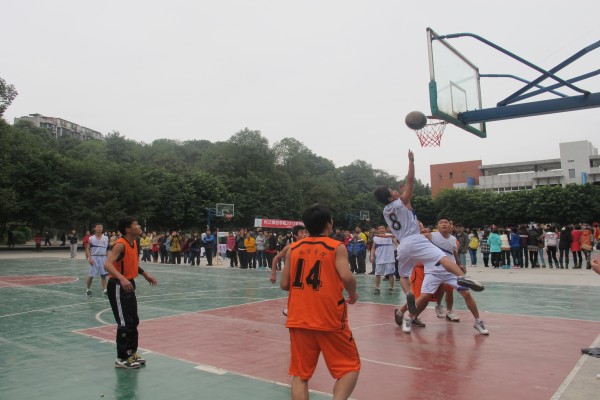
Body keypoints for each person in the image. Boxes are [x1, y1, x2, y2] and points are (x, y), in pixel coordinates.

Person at [373, 150, 483, 320]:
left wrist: (406, 198)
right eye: (392, 191)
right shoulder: (399, 202)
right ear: (390, 198)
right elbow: (410, 181)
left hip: (403, 246)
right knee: (443, 258)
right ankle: (464, 278)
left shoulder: (386, 211)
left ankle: (408, 294)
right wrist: (411, 162)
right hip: (415, 240)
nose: (395, 191)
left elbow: (408, 209)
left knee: (403, 275)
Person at [280, 204, 360, 400]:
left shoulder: (293, 248)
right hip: (329, 317)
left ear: (306, 226)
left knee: (300, 375)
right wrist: (353, 294)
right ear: (329, 224)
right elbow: (347, 276)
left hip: (299, 317)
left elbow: (284, 284)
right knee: (349, 368)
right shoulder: (336, 247)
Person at [396, 217, 489, 335]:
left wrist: (459, 264)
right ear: (437, 227)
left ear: (451, 226)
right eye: (441, 223)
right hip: (433, 272)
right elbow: (413, 239)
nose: (444, 224)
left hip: (450, 272)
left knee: (466, 293)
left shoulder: (453, 239)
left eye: (446, 223)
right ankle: (408, 318)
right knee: (424, 297)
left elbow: (454, 252)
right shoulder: (430, 236)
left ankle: (477, 321)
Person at [103, 216, 157, 369]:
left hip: (129, 284)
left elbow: (131, 263)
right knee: (124, 322)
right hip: (118, 285)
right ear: (128, 229)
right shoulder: (120, 244)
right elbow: (107, 264)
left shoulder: (134, 242)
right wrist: (121, 278)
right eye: (136, 224)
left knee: (133, 321)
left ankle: (131, 353)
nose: (139, 226)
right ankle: (121, 358)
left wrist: (145, 274)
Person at [370, 225, 397, 295]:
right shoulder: (375, 238)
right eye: (380, 228)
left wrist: (399, 252)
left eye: (383, 228)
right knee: (377, 274)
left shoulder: (390, 236)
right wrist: (372, 256)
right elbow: (373, 248)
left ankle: (391, 288)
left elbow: (396, 244)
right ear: (377, 230)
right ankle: (377, 288)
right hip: (379, 258)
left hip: (389, 258)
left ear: (385, 229)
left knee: (391, 274)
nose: (382, 229)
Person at [85, 223, 109, 296]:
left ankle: (105, 290)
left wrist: (108, 258)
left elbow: (108, 249)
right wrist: (90, 258)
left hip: (103, 257)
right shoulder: (91, 238)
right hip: (94, 257)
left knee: (103, 275)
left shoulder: (106, 238)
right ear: (95, 228)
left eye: (101, 227)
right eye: (98, 227)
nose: (100, 228)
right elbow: (87, 249)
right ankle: (88, 289)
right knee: (91, 275)